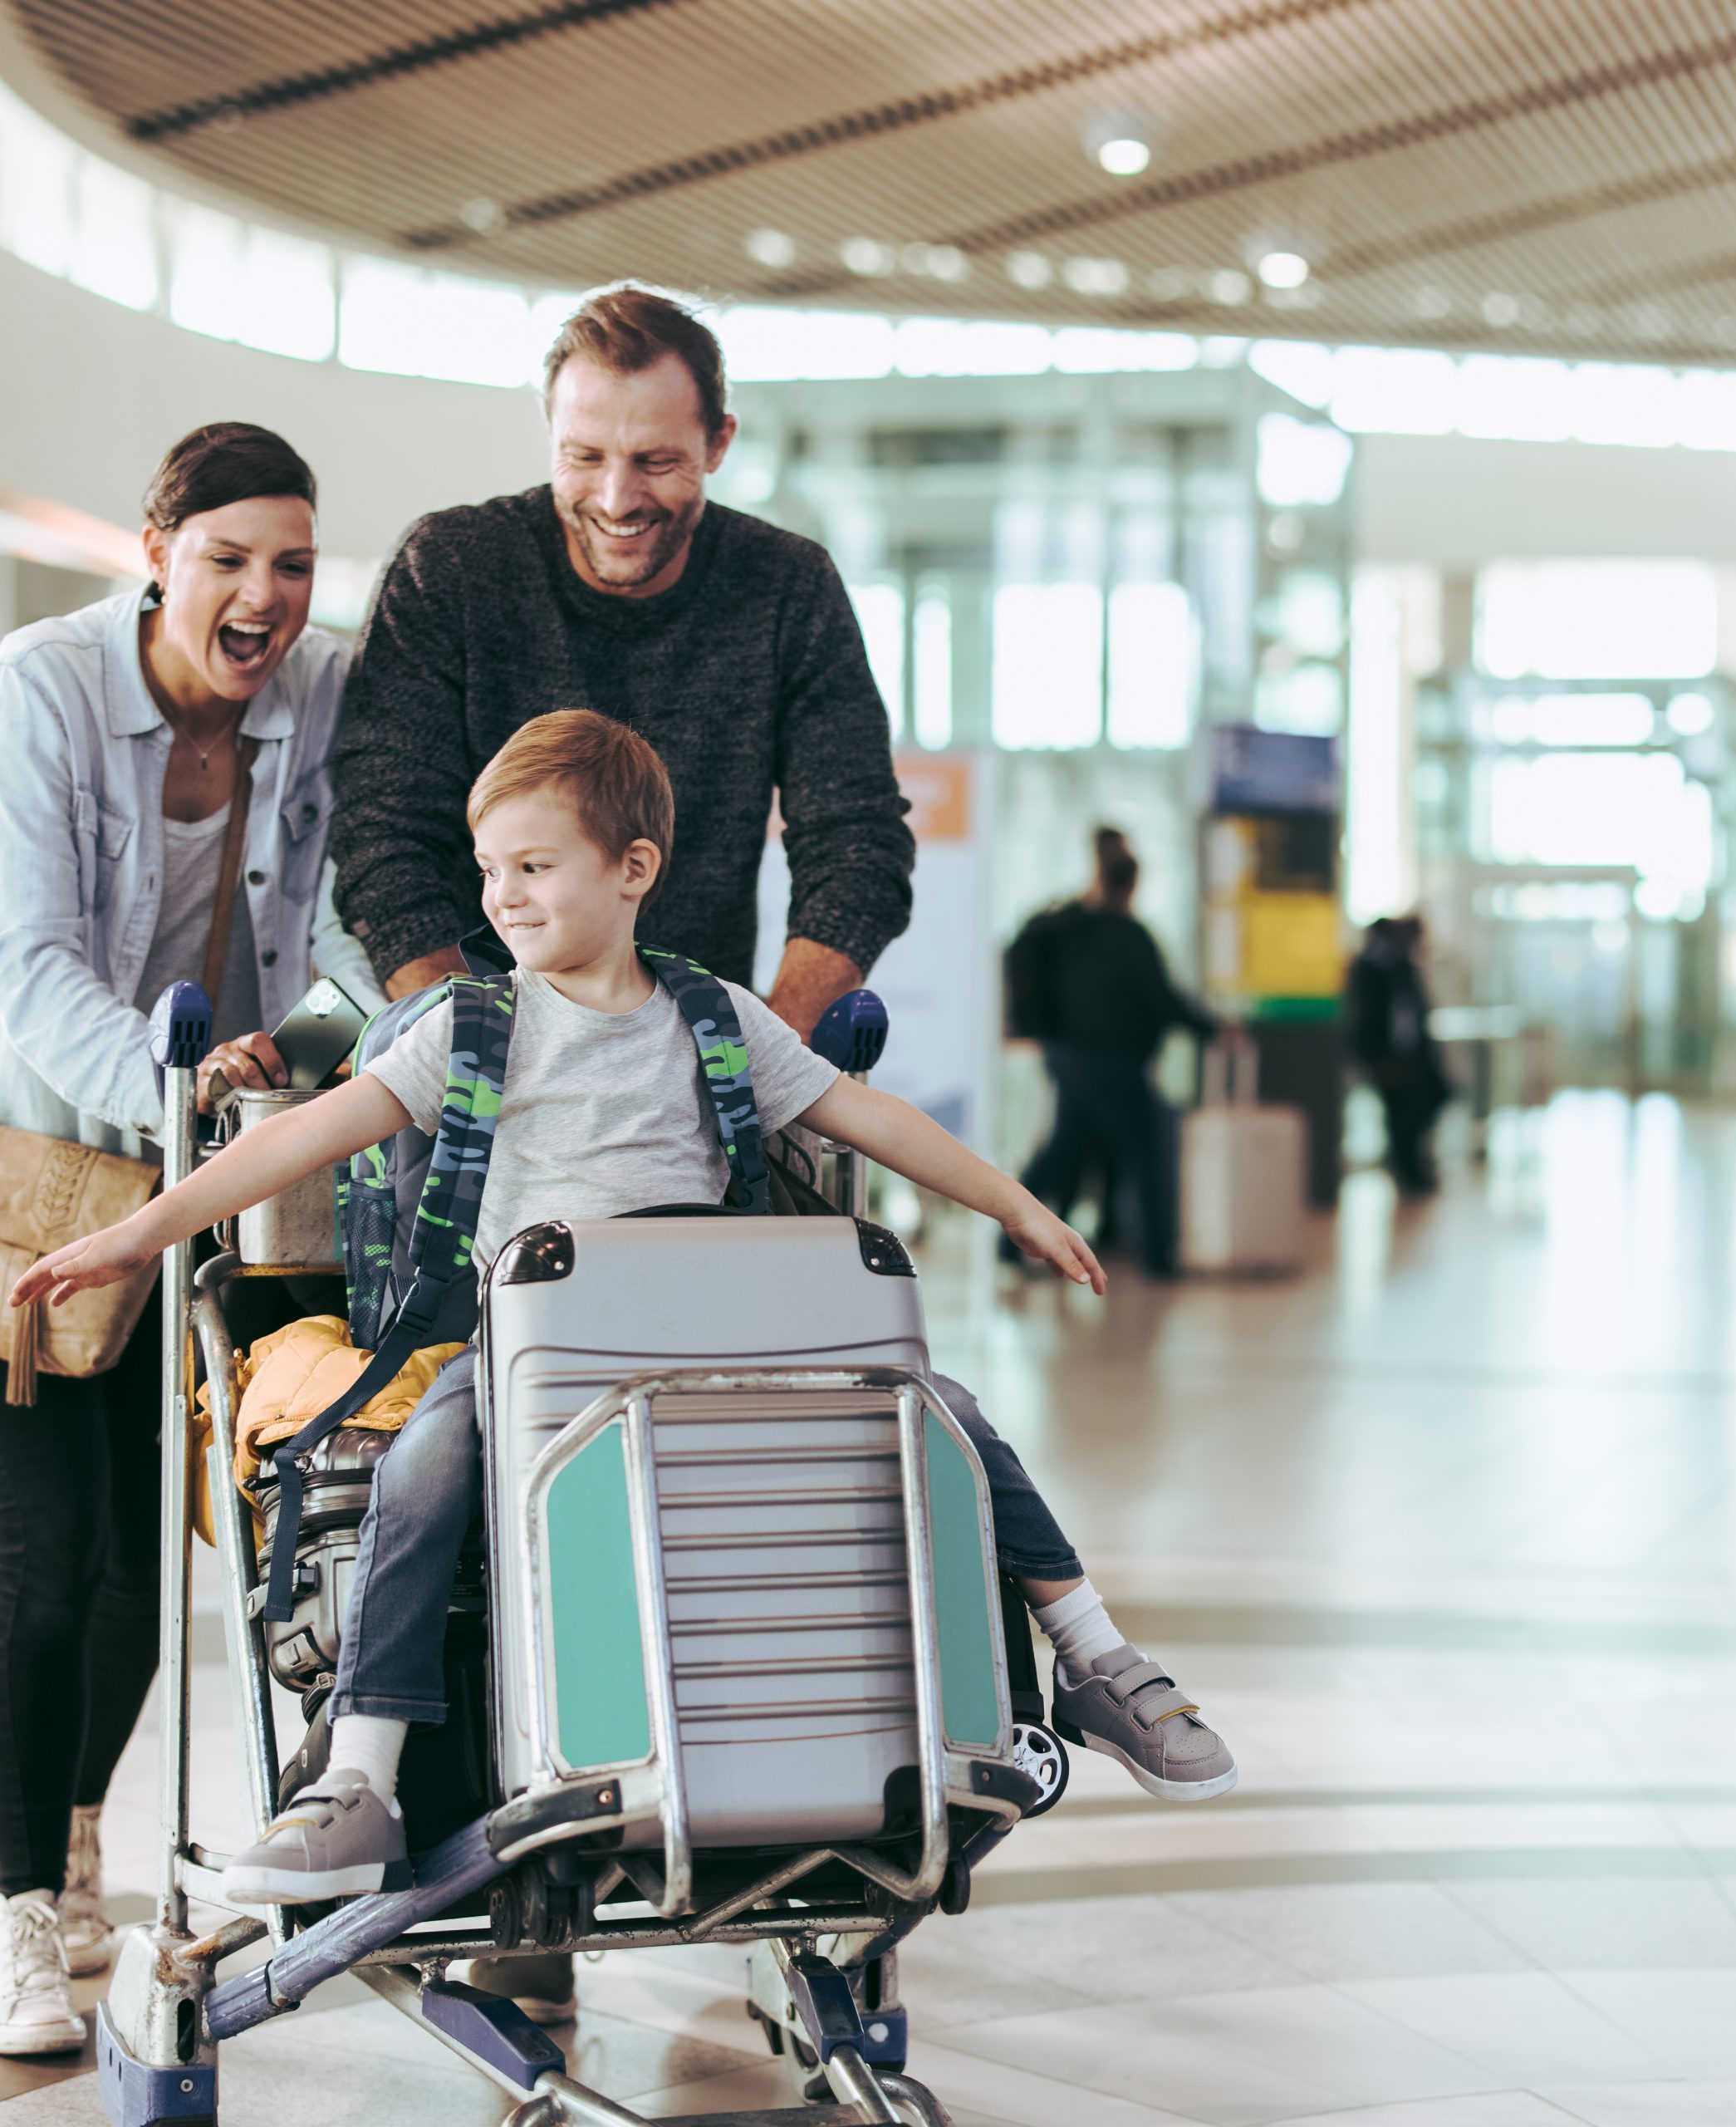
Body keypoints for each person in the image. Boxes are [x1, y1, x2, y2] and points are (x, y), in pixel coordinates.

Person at [8, 714, 1238, 1918]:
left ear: (633, 870)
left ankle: (1096, 1660)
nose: (503, 898)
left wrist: (1017, 1205)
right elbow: (293, 1142)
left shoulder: (715, 1021)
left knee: (948, 1417)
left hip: (711, 1349)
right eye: (490, 870)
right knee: (424, 1465)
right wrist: (128, 1234)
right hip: (529, 1352)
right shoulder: (469, 1029)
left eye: (534, 867)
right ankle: (360, 1780)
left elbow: (878, 1124)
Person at [0, 424, 378, 2055]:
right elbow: (20, 965)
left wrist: (299, 1064)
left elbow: (349, 914)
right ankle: (15, 1910)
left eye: (290, 563)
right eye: (228, 556)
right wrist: (172, 1089)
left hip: (201, 1183)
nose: (263, 594)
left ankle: (78, 1840)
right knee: (34, 1561)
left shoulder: (320, 695)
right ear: (157, 545)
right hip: (32, 1173)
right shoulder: (42, 691)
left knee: (148, 1576)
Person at [329, 282, 914, 1038]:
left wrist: (765, 1056)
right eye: (585, 456)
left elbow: (857, 841)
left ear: (718, 443)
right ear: (550, 434)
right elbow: (383, 837)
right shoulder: (449, 568)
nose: (616, 497)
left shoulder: (788, 588)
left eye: (656, 461)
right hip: (470, 1059)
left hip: (701, 1065)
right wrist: (477, 1046)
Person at [1008, 831, 1217, 1279]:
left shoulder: (1065, 927)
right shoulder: (1126, 935)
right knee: (1146, 1151)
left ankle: (1007, 1241)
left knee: (1066, 1149)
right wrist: (1213, 1028)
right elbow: (1162, 999)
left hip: (1067, 1056)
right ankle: (1160, 1259)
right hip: (1111, 1061)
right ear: (1131, 885)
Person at [1346, 916, 1452, 1196]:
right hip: (1387, 1058)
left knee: (1431, 1099)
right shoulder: (1370, 968)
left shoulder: (1402, 966)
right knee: (1399, 1116)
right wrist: (1376, 1058)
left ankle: (1414, 1167)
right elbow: (1364, 1020)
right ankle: (1408, 1171)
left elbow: (1416, 1015)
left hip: (1412, 1056)